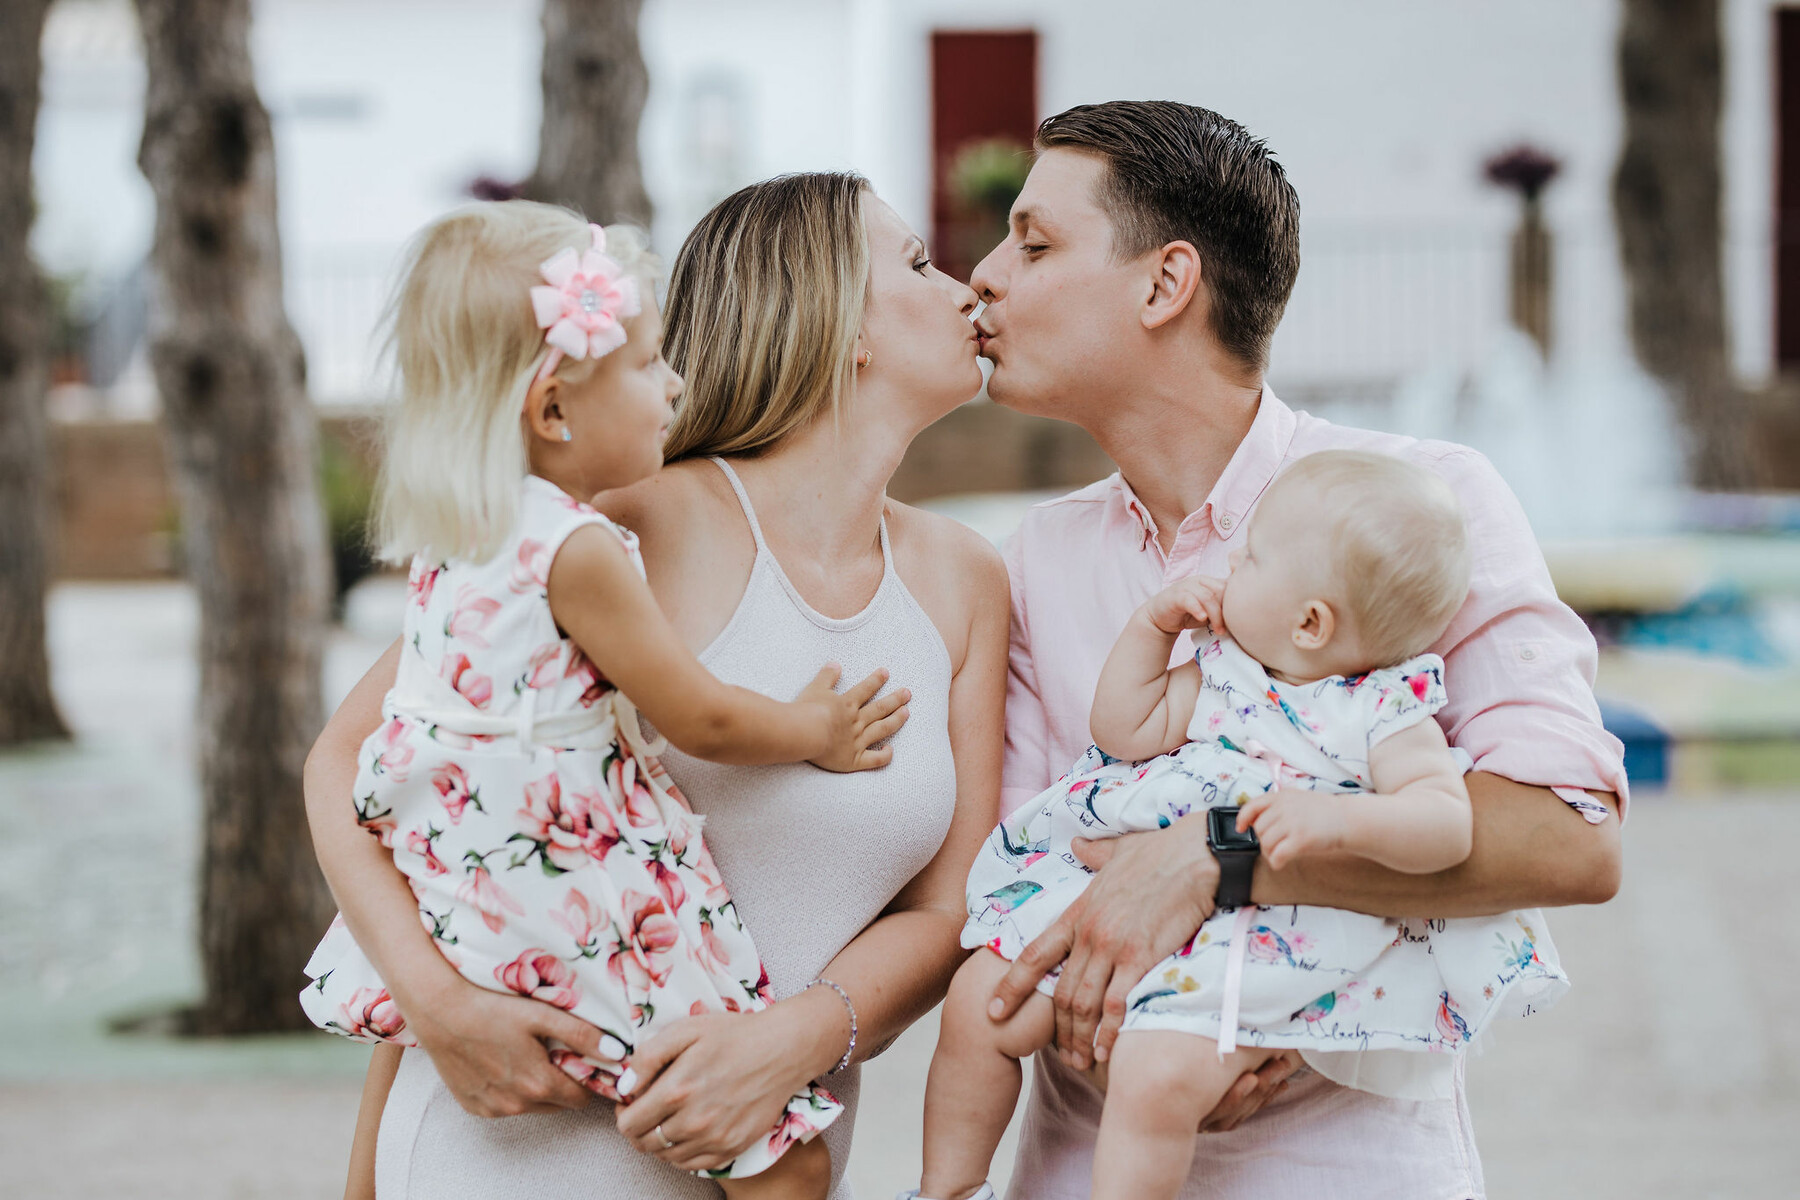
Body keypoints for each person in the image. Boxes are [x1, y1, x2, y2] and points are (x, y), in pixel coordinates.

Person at [303, 173, 1008, 1200]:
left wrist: (790, 1041)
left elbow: (952, 910)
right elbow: (366, 767)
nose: (967, 286)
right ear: (834, 323)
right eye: (915, 263)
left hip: (763, 1158)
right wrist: (435, 1008)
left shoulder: (966, 579)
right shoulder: (621, 529)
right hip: (508, 1156)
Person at [969, 101, 1626, 1198]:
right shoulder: (1036, 556)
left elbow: (1569, 838)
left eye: (1033, 244)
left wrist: (1219, 860)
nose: (982, 276)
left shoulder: (1423, 505)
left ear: (1164, 284)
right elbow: (1032, 875)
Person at [913, 450, 1570, 1200]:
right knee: (979, 1002)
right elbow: (1129, 727)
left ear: (1311, 621)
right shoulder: (1227, 672)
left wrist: (1340, 820)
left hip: (1259, 943)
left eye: (1252, 558)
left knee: (1154, 1076)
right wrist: (1151, 632)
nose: (1233, 568)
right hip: (1122, 907)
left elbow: (1446, 824)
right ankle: (949, 1190)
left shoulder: (1382, 710)